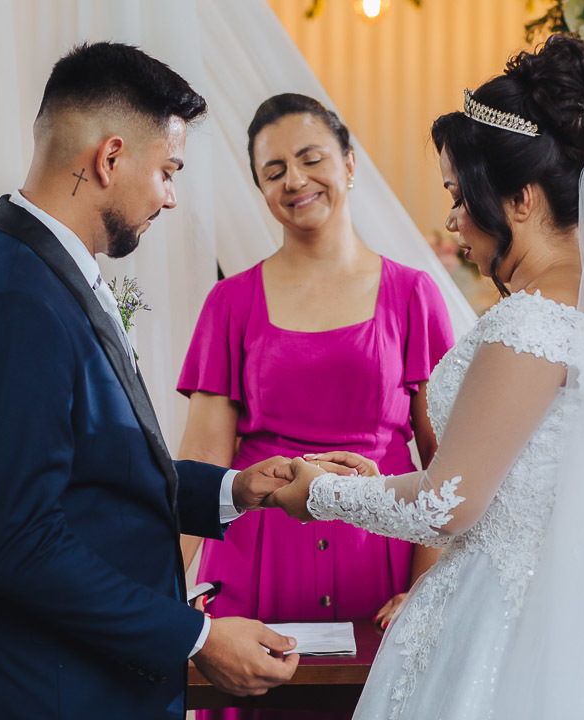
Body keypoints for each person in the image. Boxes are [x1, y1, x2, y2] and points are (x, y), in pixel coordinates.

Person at [267, 35, 584, 719]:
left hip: (521, 616)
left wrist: (321, 494)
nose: (453, 220)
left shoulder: (532, 323)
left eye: (460, 195)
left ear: (519, 199)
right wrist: (387, 480)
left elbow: (449, 504)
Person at [0, 42, 301, 720]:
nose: (171, 198)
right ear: (110, 158)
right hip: (40, 694)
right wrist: (197, 637)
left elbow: (94, 474)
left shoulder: (39, 270)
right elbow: (21, 544)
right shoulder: (13, 301)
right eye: (167, 171)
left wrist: (235, 489)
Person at [176, 93, 454, 720]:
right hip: (255, 575)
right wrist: (157, 598)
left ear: (349, 164)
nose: (295, 180)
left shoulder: (414, 294)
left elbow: (447, 462)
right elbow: (201, 461)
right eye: (274, 171)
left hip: (383, 570)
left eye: (310, 159)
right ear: (261, 190)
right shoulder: (229, 303)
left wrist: (428, 587)